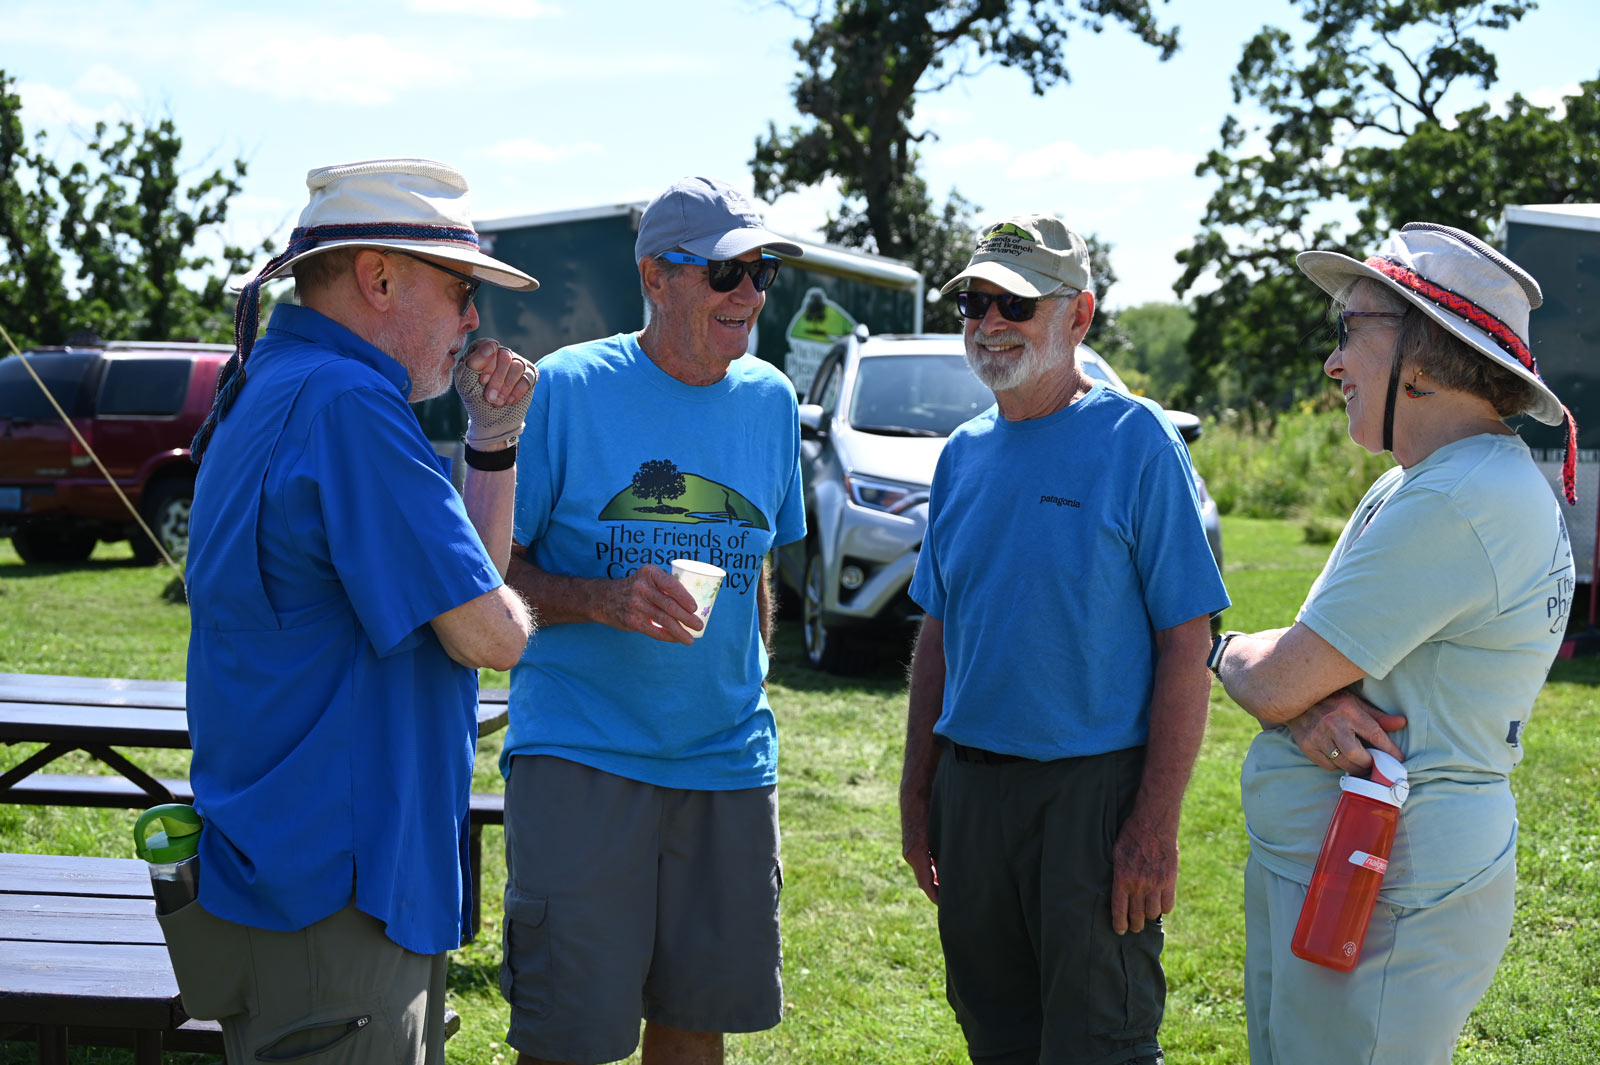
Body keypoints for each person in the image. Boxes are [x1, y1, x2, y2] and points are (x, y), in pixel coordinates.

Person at [179, 158, 538, 1065]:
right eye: (461, 288)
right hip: (340, 895)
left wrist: (491, 444)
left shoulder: (275, 378)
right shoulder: (350, 408)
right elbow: (488, 633)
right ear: (378, 276)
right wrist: (521, 613)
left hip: (290, 872)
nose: (472, 319)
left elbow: (462, 598)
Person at [1209, 222, 1576, 1065]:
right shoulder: (1431, 482)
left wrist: (1224, 652)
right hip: (1352, 874)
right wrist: (1301, 701)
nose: (1334, 363)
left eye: (1351, 329)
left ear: (1424, 351)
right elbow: (1307, 676)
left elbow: (1273, 681)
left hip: (1382, 885)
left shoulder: (1460, 499)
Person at [899, 214, 1229, 1065]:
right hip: (972, 798)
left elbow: (1184, 645)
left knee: (1100, 1045)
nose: (988, 323)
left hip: (1092, 800)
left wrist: (1153, 823)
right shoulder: (961, 456)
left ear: (1078, 315)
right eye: (974, 302)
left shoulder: (1137, 441)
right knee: (994, 1034)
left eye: (1014, 302)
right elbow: (938, 633)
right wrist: (917, 794)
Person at [498, 176, 807, 1065]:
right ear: (656, 275)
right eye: (724, 272)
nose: (748, 293)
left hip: (726, 766)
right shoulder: (566, 389)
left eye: (761, 271)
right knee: (570, 1036)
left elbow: (760, 571)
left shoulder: (770, 401)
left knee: (694, 1020)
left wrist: (746, 689)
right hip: (583, 756)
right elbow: (493, 571)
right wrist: (602, 598)